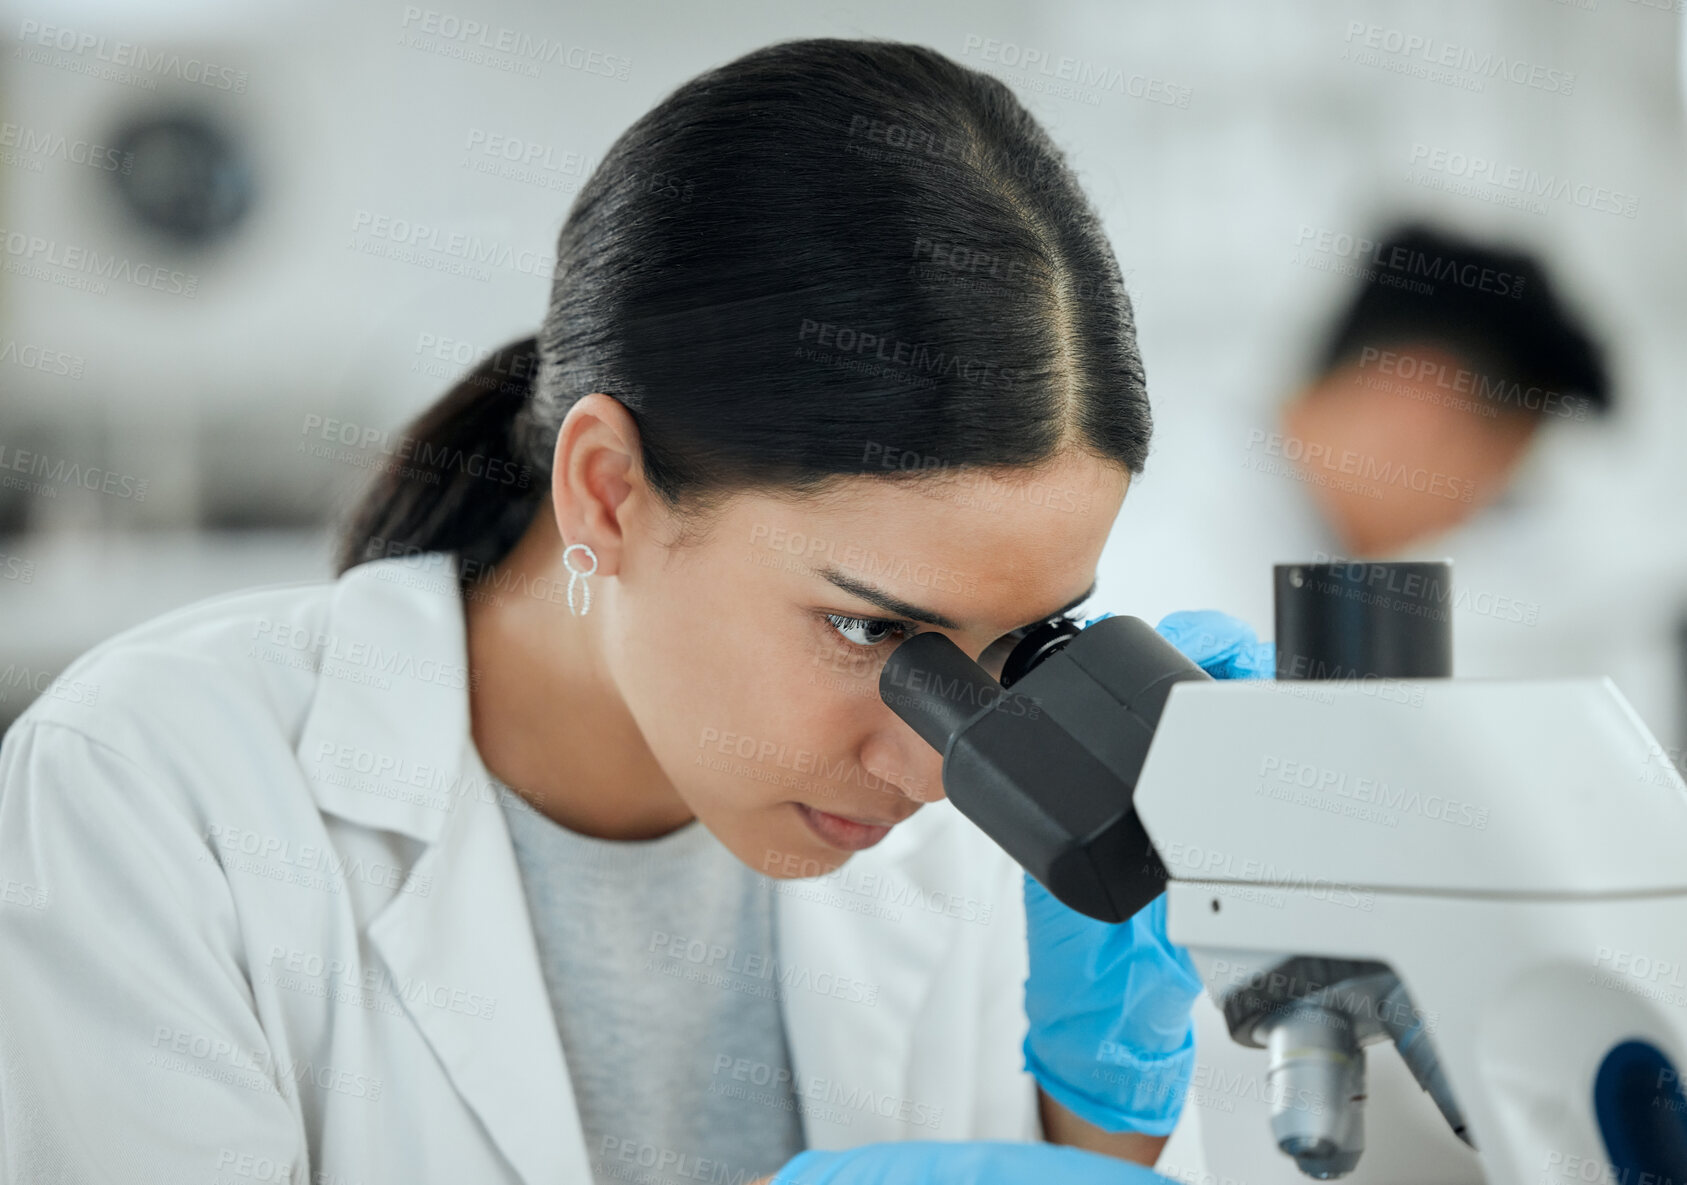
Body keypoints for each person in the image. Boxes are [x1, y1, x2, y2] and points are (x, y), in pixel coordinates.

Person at [0, 38, 1272, 1185]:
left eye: (1016, 651)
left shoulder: (988, 852)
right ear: (606, 493)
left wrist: (1107, 1107)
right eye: (869, 629)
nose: (940, 769)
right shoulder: (157, 794)